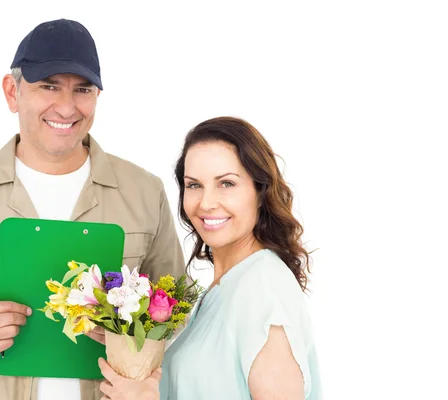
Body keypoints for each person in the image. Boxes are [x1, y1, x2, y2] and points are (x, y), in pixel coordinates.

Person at [0, 19, 185, 400]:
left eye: (83, 89)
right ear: (13, 92)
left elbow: (174, 308)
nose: (66, 106)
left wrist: (135, 341)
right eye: (48, 86)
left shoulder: (144, 191)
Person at [98, 116, 322, 399]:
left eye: (226, 183)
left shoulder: (263, 291)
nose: (206, 203)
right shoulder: (225, 288)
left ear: (261, 192)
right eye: (194, 185)